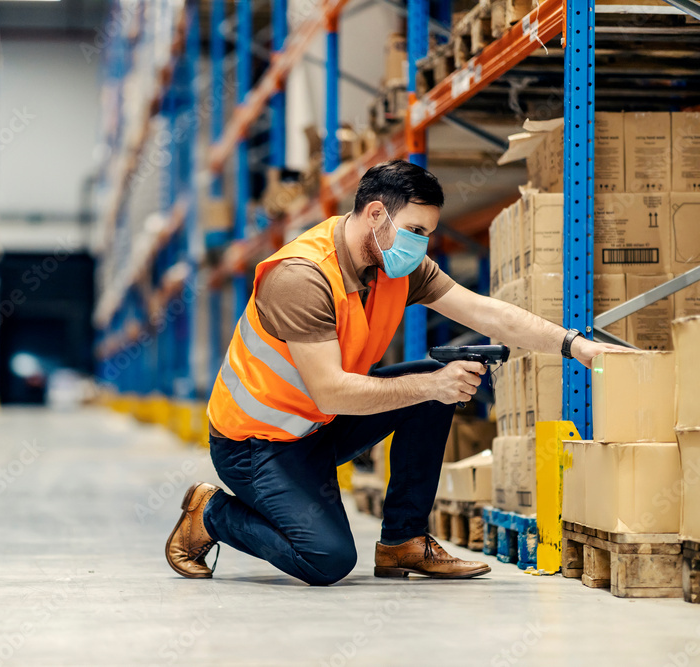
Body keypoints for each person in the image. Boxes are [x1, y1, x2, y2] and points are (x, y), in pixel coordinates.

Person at [165, 160, 621, 586]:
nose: (421, 245)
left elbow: (486, 313)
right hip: (257, 443)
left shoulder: (395, 264)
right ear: (377, 214)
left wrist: (573, 344)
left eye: (428, 234)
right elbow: (329, 393)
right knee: (327, 559)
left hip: (317, 427)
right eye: (416, 231)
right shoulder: (301, 277)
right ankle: (211, 514)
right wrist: (431, 385)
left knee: (435, 383)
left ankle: (403, 542)